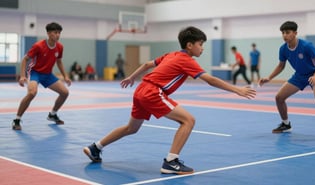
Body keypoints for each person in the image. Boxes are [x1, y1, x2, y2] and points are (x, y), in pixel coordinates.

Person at [83, 26, 256, 175]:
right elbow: (210, 80)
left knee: (131, 128)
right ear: (190, 45)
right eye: (200, 44)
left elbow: (147, 65)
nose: (202, 48)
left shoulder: (171, 54)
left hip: (141, 89)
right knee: (188, 120)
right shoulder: (187, 60)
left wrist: (131, 77)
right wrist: (237, 89)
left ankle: (95, 147)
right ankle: (171, 162)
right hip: (153, 92)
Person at [259, 21, 315, 139]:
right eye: (283, 33)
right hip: (299, 76)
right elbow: (281, 66)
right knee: (279, 97)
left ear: (295, 33)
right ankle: (286, 124)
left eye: (287, 32)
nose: (284, 35)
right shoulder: (283, 49)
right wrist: (269, 77)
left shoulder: (306, 46)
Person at [12, 22, 71, 130]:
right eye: (55, 32)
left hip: (48, 74)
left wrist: (65, 76)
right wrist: (22, 76)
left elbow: (59, 62)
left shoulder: (60, 47)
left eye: (59, 33)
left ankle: (52, 114)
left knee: (65, 93)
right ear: (48, 34)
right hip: (35, 73)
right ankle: (17, 119)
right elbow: (25, 59)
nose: (57, 35)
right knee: (32, 93)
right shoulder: (38, 46)